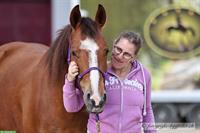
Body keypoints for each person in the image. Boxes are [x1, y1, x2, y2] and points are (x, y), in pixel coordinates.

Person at [63, 31, 156, 133]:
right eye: (118, 49)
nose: (119, 56)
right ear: (113, 45)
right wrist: (70, 80)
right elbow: (71, 107)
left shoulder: (143, 75)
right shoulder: (97, 73)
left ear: (134, 57)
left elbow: (147, 111)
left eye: (126, 54)